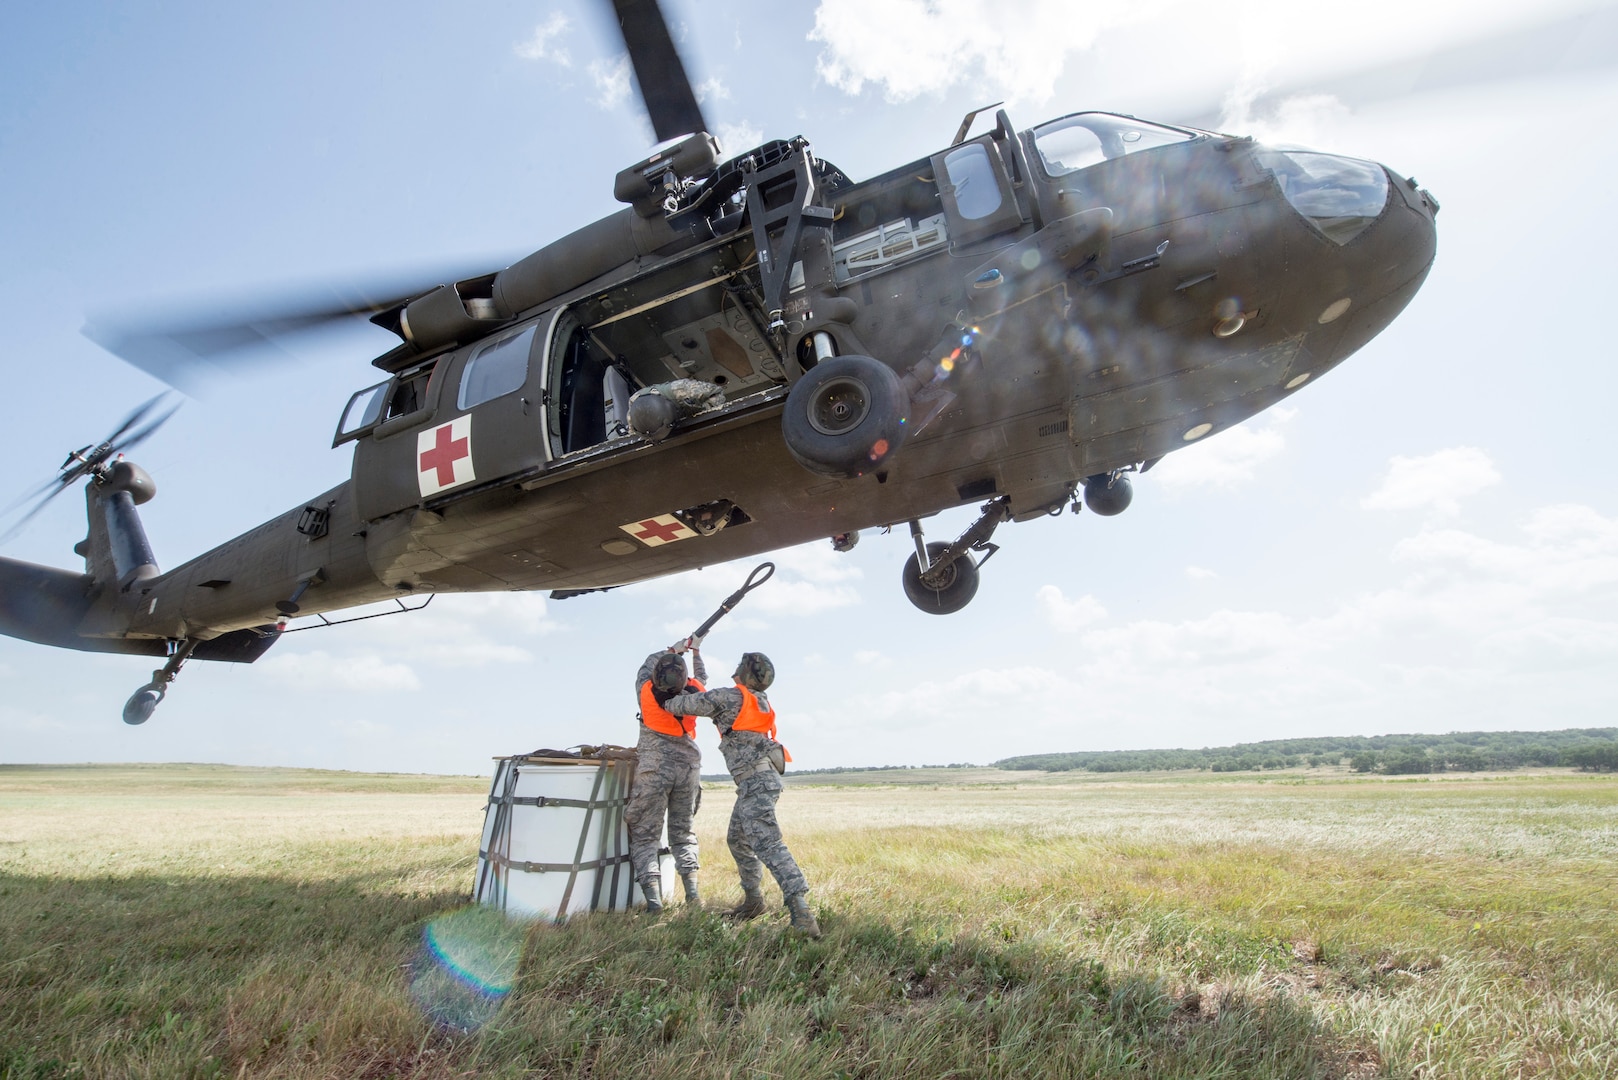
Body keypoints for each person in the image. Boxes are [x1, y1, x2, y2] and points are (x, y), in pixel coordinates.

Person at [662, 651, 820, 938]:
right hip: (760, 780)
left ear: (744, 674)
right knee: (738, 839)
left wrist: (664, 686)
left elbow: (679, 705)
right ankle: (753, 902)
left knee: (768, 843)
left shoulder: (729, 697)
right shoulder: (759, 701)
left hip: (755, 781)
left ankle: (802, 913)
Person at [626, 643, 706, 915]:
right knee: (683, 833)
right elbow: (701, 679)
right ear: (685, 679)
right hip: (688, 767)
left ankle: (654, 903)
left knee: (645, 834)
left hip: (655, 768)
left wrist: (675, 648)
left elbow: (648, 663)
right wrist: (695, 653)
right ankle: (693, 897)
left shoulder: (646, 691)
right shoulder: (695, 696)